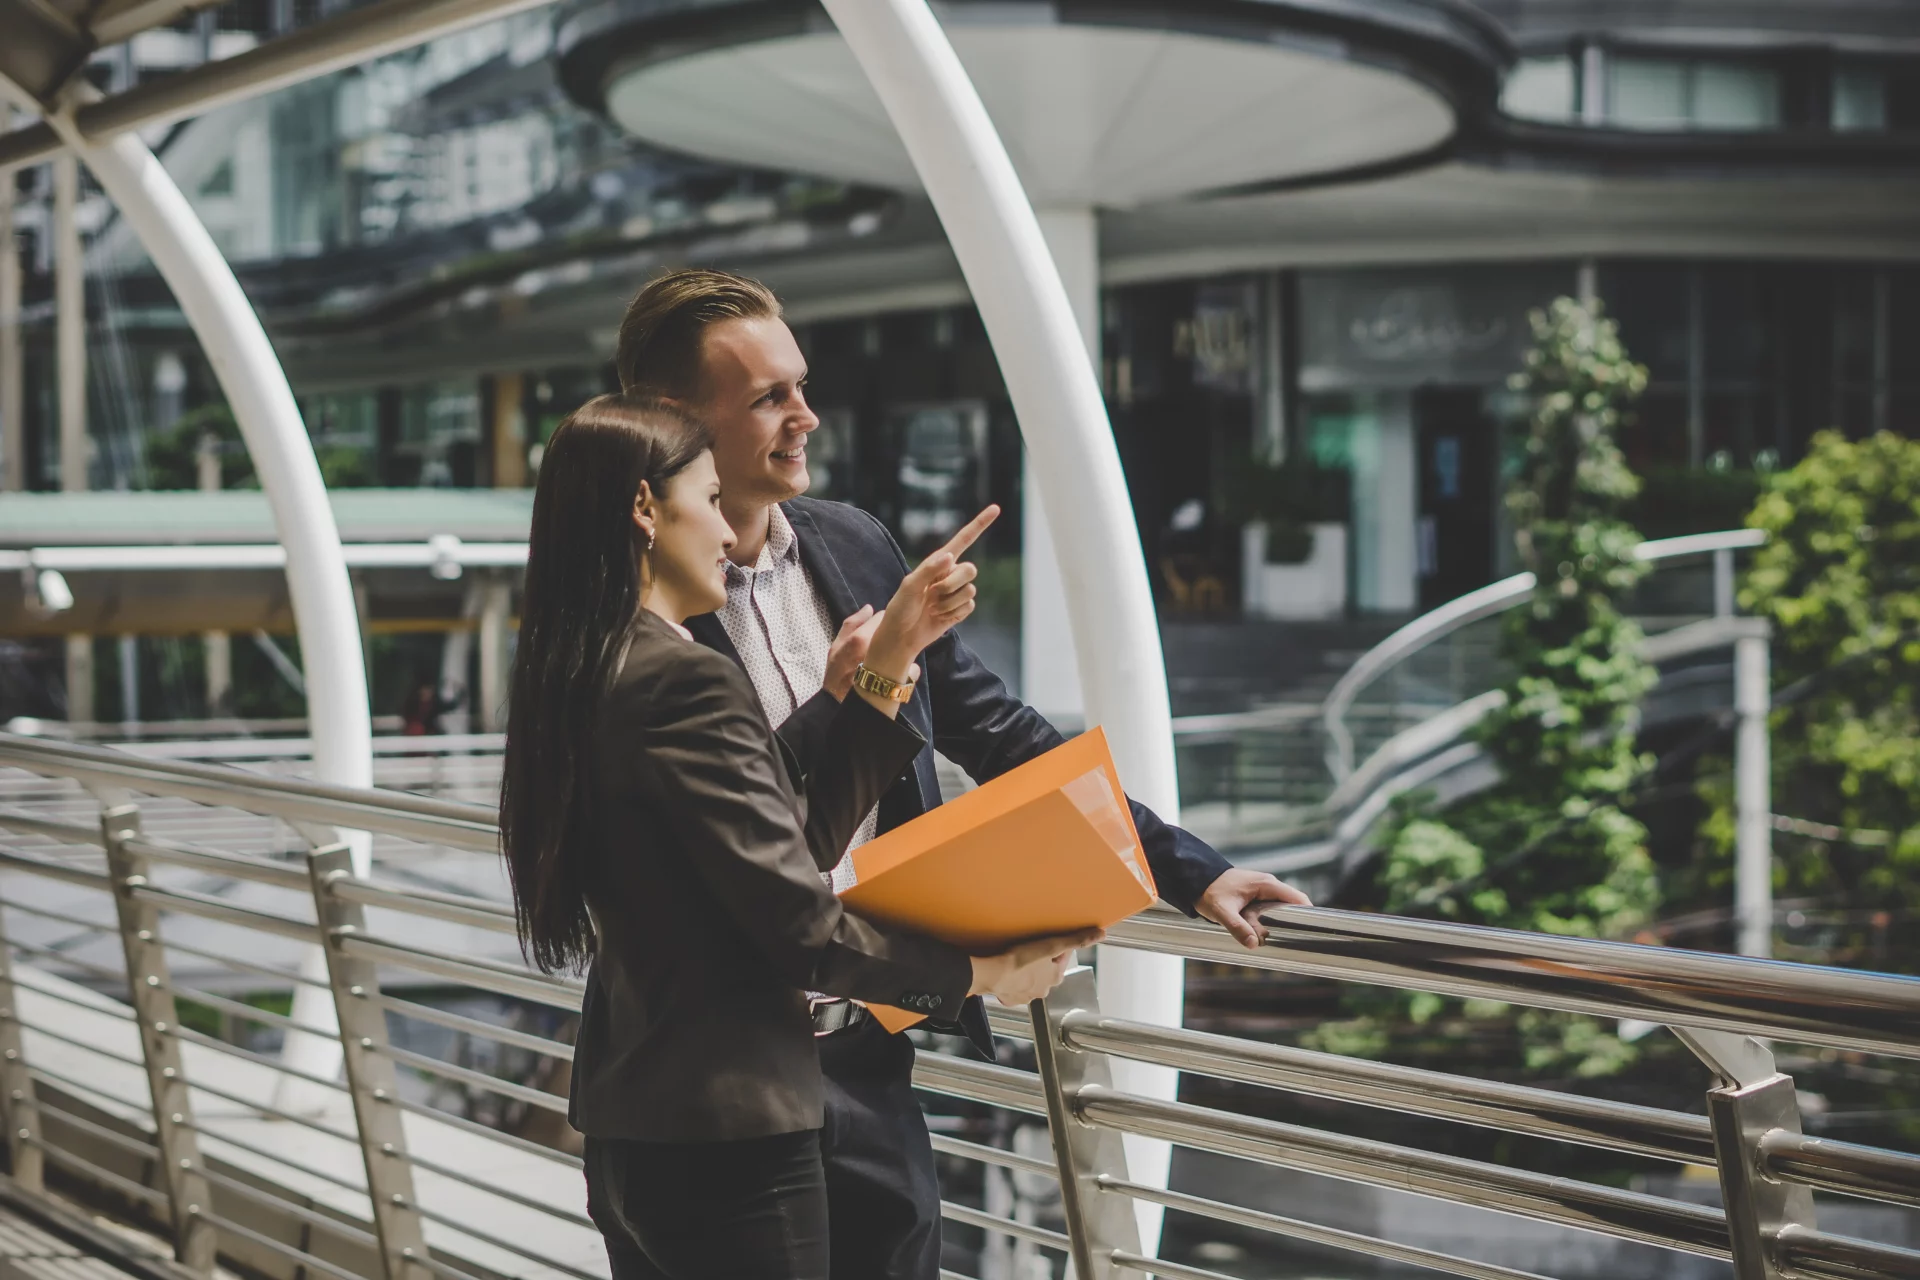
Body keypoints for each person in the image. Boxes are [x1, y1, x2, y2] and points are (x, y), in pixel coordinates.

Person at [614, 269, 1314, 1280]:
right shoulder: (638, 604)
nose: (806, 414)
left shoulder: (854, 546)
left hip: (867, 1047)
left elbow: (996, 730)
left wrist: (1188, 869)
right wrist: (877, 678)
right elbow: (742, 828)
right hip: (714, 1068)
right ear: (677, 417)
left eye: (801, 385)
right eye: (770, 395)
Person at [497, 394, 1098, 1280]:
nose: (728, 535)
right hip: (734, 1144)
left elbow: (768, 837)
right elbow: (799, 925)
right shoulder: (683, 680)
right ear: (644, 509)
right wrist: (982, 973)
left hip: (640, 1129)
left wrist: (875, 682)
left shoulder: (593, 666)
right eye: (706, 501)